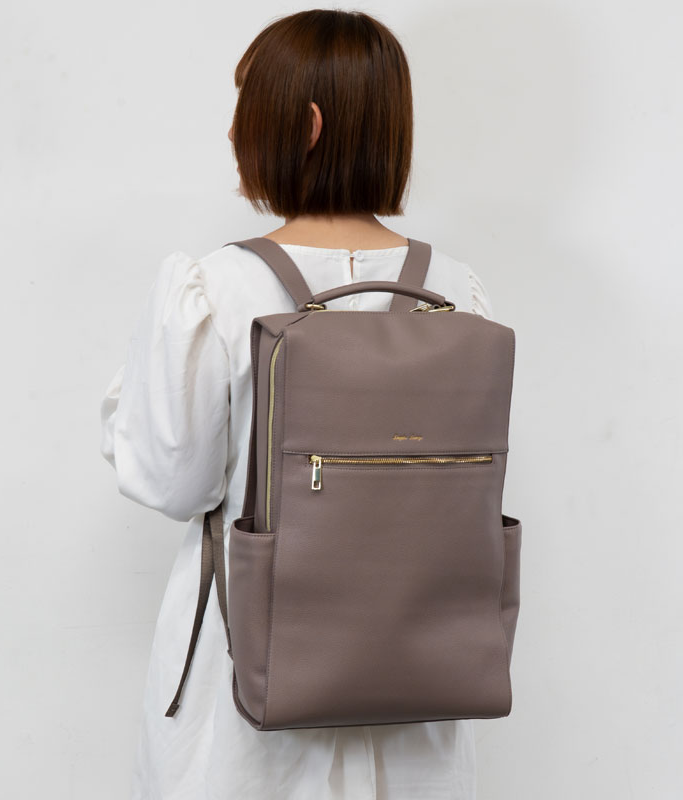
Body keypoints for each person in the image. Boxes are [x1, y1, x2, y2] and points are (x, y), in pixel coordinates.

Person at [100, 9, 494, 799]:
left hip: (245, 691)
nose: (234, 133)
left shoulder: (216, 289)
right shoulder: (458, 292)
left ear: (306, 125)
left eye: (246, 109)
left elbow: (172, 480)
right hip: (414, 686)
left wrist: (123, 412)